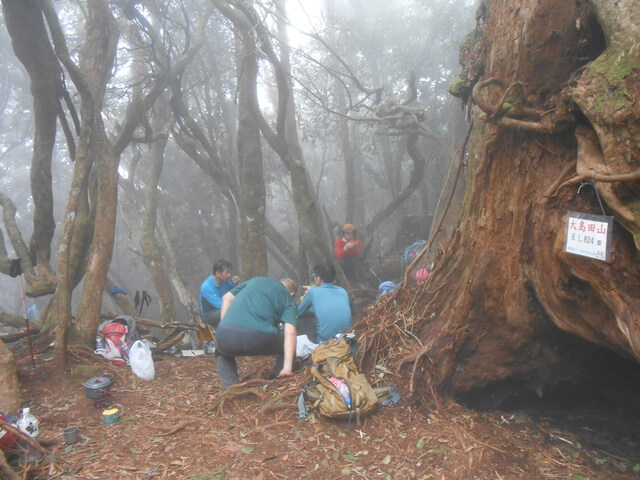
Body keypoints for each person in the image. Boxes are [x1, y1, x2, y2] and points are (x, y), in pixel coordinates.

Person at [215, 277, 298, 390]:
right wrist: (288, 368)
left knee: (221, 352)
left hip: (226, 334)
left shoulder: (255, 280)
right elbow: (291, 332)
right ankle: (280, 382)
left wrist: (224, 325)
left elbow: (226, 298)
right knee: (287, 342)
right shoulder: (288, 299)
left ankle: (231, 389)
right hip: (259, 337)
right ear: (292, 293)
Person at [297, 263, 352, 343]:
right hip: (347, 337)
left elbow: (298, 312)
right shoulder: (342, 291)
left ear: (318, 279)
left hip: (326, 341)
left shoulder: (313, 292)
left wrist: (309, 294)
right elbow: (333, 309)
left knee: (299, 319)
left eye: (315, 277)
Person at [199, 260, 239, 329]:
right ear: (218, 274)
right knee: (227, 311)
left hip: (221, 309)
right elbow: (220, 305)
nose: (230, 275)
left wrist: (236, 283)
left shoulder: (224, 281)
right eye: (227, 272)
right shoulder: (207, 287)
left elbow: (234, 291)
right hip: (210, 315)